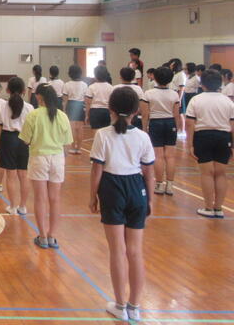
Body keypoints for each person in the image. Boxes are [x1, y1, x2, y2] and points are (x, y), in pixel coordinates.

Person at [89, 86, 155, 323]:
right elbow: (149, 173)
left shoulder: (103, 135)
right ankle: (134, 307)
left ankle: (119, 305)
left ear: (111, 109)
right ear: (136, 111)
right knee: (135, 251)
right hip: (137, 188)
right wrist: (150, 200)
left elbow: (97, 169)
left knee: (117, 250)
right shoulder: (143, 137)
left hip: (112, 188)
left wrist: (92, 196)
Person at [21, 84, 72, 249]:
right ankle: (52, 236)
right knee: (55, 199)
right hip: (57, 158)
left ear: (39, 97)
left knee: (40, 198)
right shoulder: (62, 116)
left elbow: (25, 139)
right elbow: (67, 143)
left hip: (39, 157)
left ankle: (42, 236)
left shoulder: (33, 115)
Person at [185, 69, 234, 218]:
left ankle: (208, 208)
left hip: (203, 137)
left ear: (203, 84)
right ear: (220, 83)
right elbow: (232, 125)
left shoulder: (196, 100)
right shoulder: (228, 101)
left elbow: (189, 123)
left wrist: (190, 144)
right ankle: (218, 209)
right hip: (223, 137)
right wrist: (232, 145)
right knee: (220, 173)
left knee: (207, 173)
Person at [0, 77, 33, 216]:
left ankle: (12, 206)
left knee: (10, 175)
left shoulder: (1, 106)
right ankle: (22, 207)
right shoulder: (29, 107)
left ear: (7, 90)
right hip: (23, 140)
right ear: (24, 90)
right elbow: (32, 129)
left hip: (7, 139)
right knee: (23, 175)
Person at [140, 66, 180, 197]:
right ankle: (170, 185)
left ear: (155, 78)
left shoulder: (148, 94)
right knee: (170, 156)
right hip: (170, 123)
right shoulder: (174, 94)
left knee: (158, 156)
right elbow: (176, 114)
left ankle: (159, 184)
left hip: (156, 123)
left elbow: (145, 114)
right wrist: (177, 128)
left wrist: (144, 129)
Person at [63, 65, 88, 155]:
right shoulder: (84, 85)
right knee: (80, 128)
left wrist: (64, 110)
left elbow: (65, 100)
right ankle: (79, 148)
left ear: (70, 73)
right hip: (81, 105)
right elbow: (86, 99)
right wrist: (86, 112)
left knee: (72, 128)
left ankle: (73, 147)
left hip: (71, 104)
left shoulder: (67, 84)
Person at [85, 65, 114, 132]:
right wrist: (112, 114)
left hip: (95, 112)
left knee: (95, 134)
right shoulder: (111, 87)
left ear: (95, 75)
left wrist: (87, 115)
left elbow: (88, 103)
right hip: (106, 111)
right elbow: (112, 103)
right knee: (106, 133)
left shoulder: (91, 87)